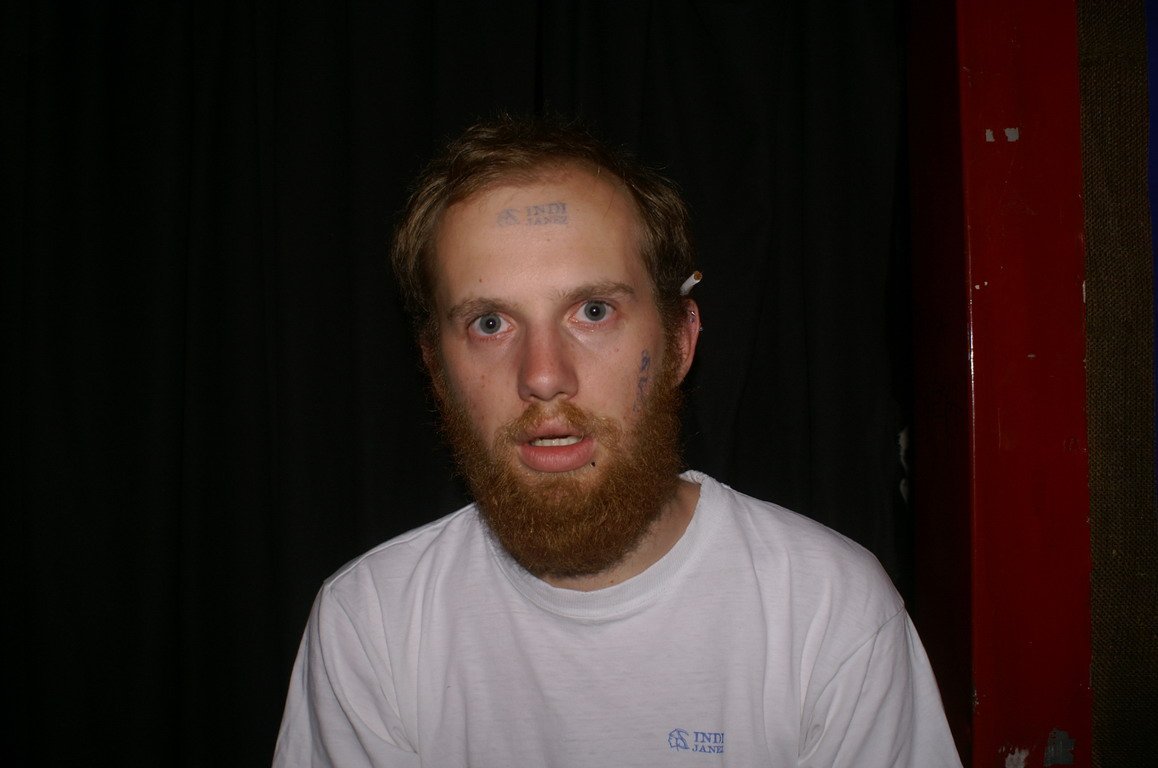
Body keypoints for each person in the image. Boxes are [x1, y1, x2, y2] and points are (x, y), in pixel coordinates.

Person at [273, 115, 963, 768]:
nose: (544, 376)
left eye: (594, 311)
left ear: (680, 342)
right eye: (490, 323)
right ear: (436, 368)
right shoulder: (371, 626)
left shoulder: (827, 612)